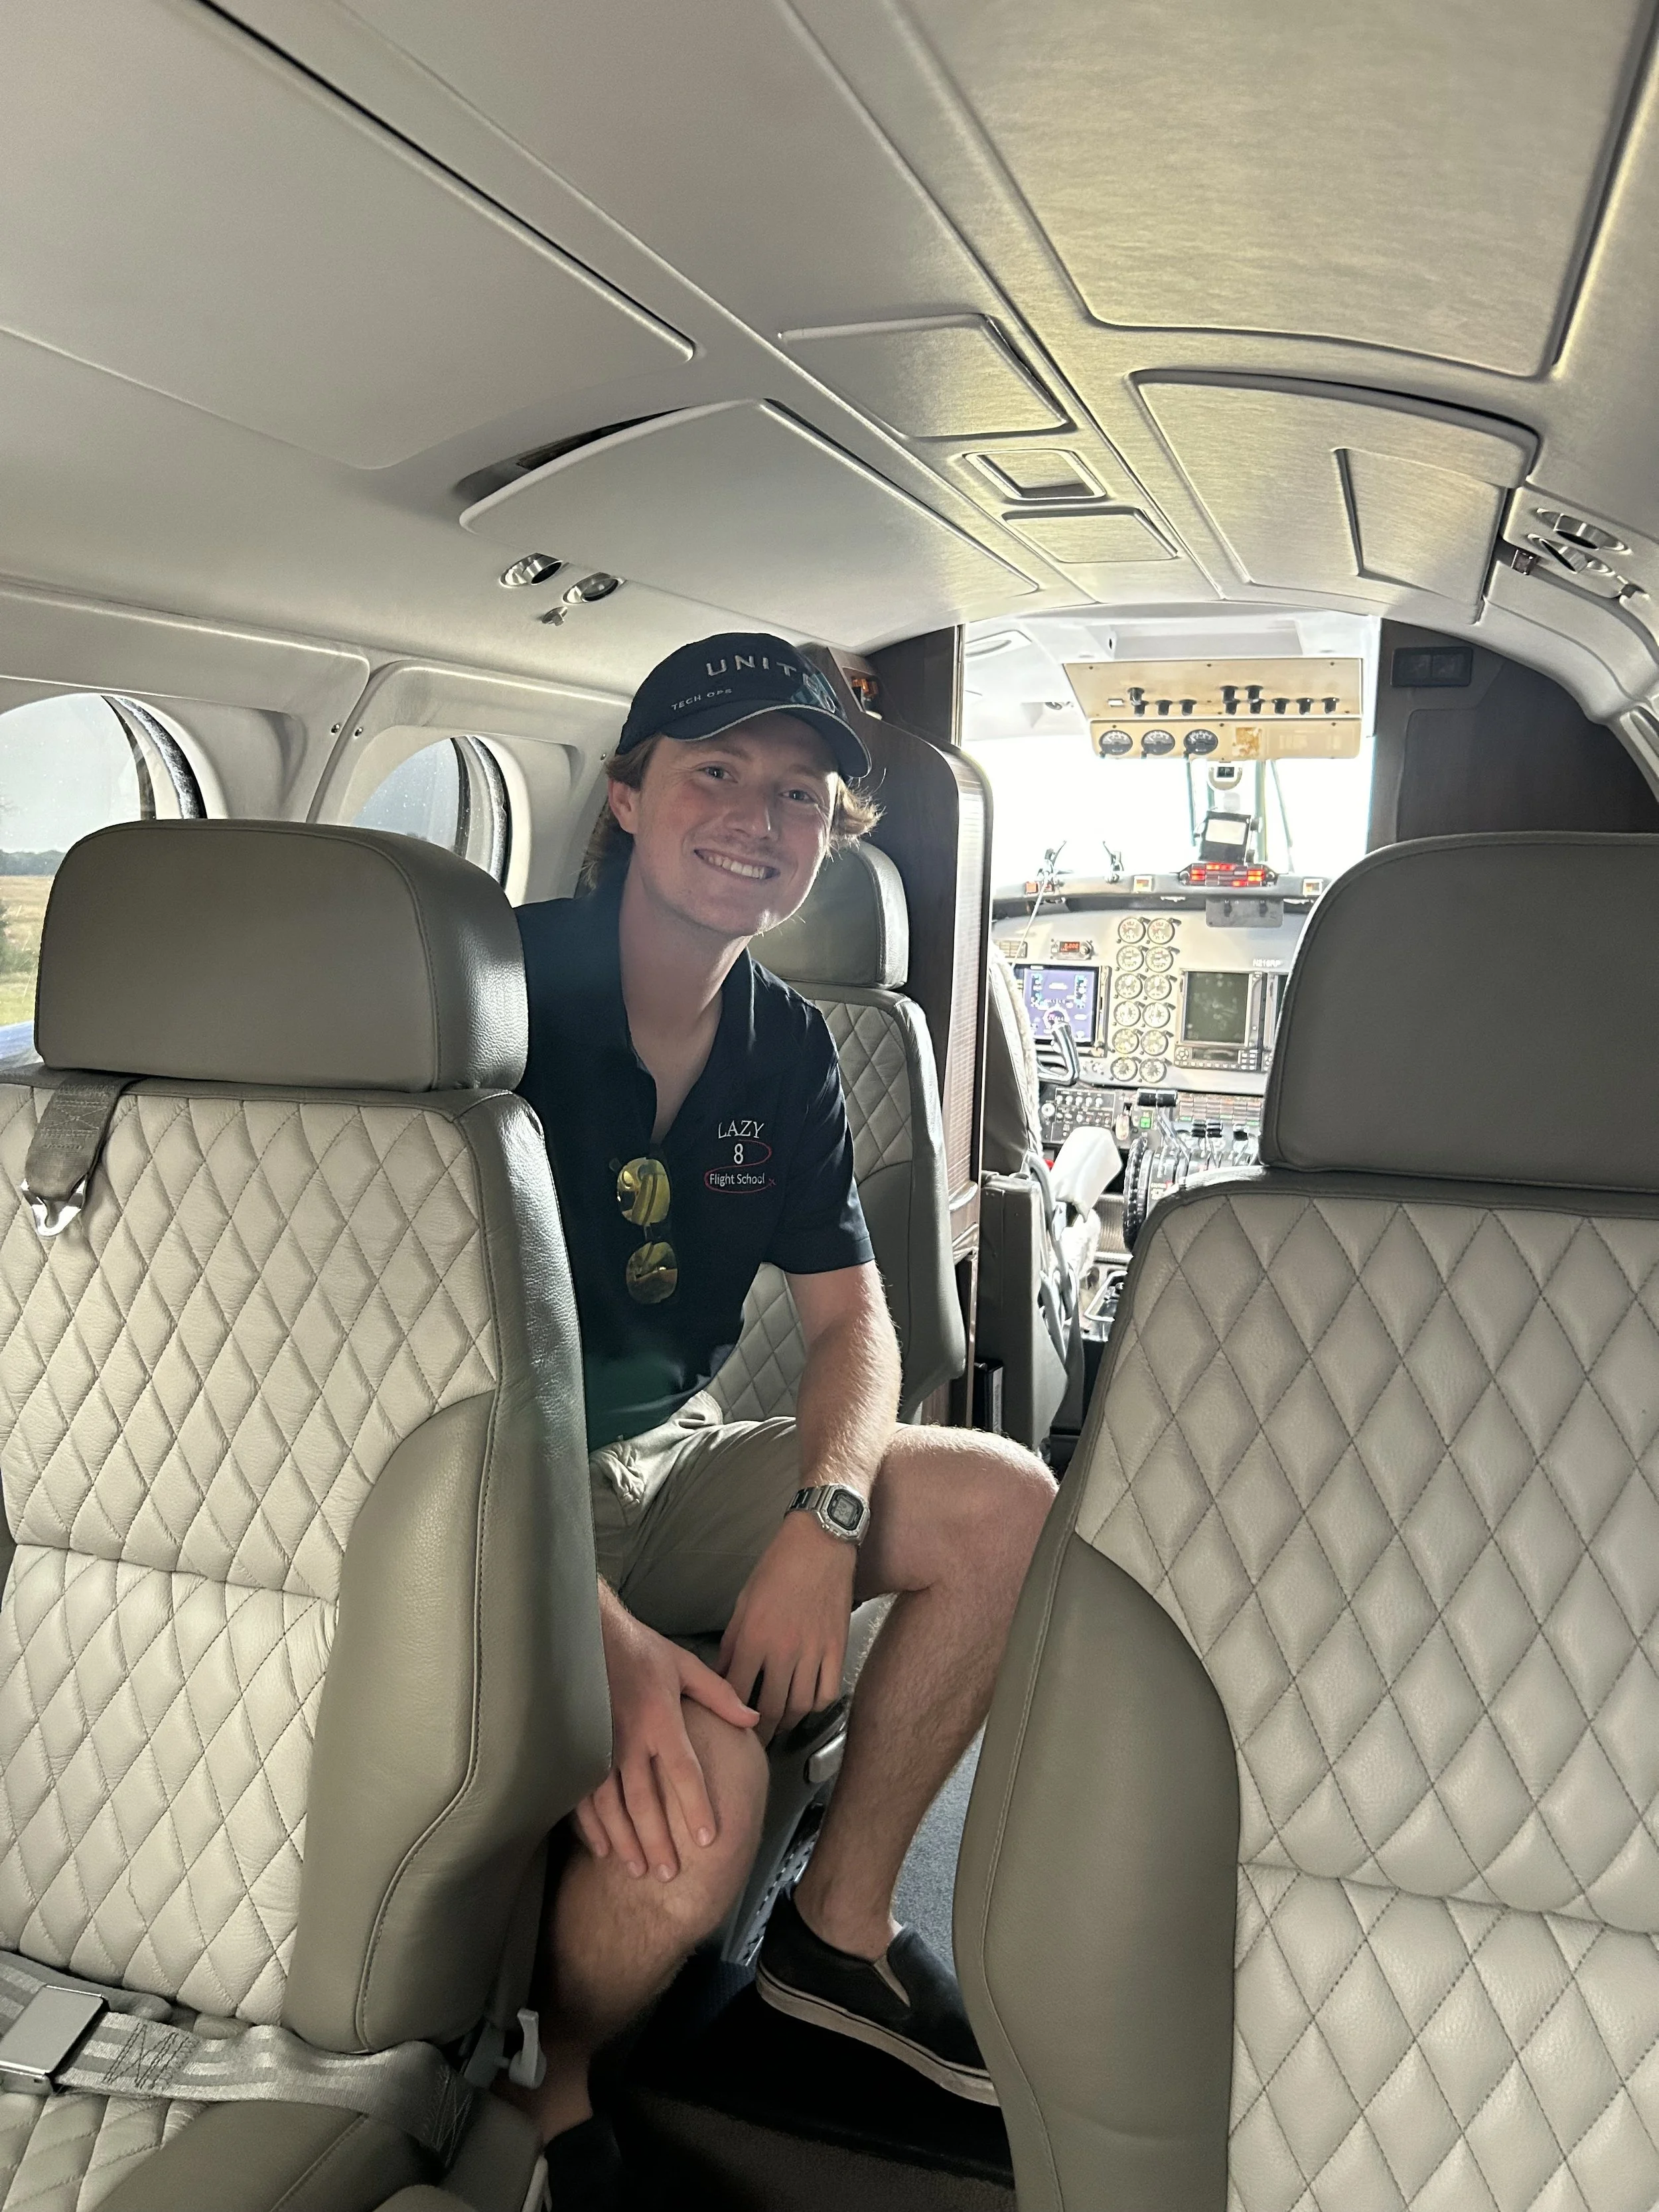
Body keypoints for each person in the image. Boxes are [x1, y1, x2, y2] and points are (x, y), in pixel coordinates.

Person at [513, 631, 1056, 2204]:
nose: (761, 815)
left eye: (802, 792)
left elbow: (853, 1321)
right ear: (624, 796)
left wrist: (824, 1523)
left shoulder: (787, 1045)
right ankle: (547, 2093)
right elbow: (404, 1373)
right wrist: (598, 1634)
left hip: (664, 1454)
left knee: (1003, 1501)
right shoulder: (501, 987)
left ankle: (834, 1931)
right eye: (715, 772)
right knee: (698, 1813)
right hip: (486, 1482)